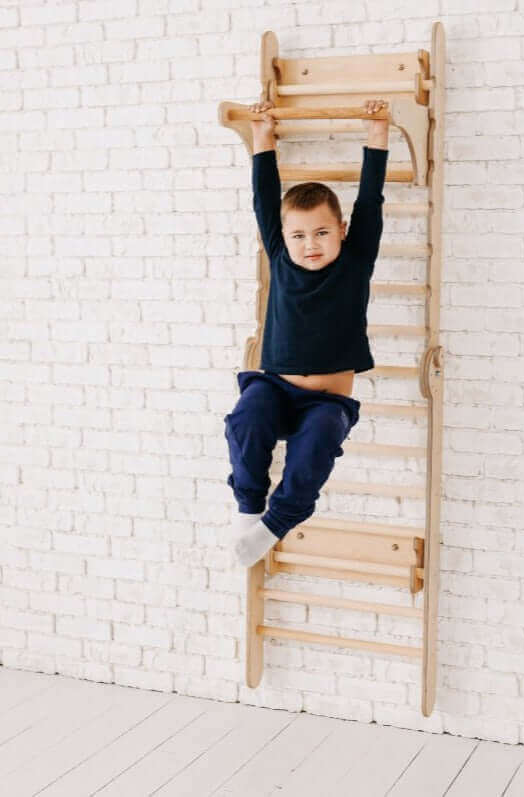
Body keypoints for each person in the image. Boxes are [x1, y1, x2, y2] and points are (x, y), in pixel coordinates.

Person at [223, 96, 390, 567]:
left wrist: (376, 132)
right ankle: (249, 507)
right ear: (284, 236)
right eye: (299, 235)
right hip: (274, 387)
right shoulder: (279, 255)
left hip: (326, 401)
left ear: (340, 230)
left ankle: (276, 523)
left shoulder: (356, 261)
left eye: (321, 233)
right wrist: (262, 136)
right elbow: (263, 197)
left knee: (317, 443)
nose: (309, 244)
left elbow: (371, 199)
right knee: (246, 418)